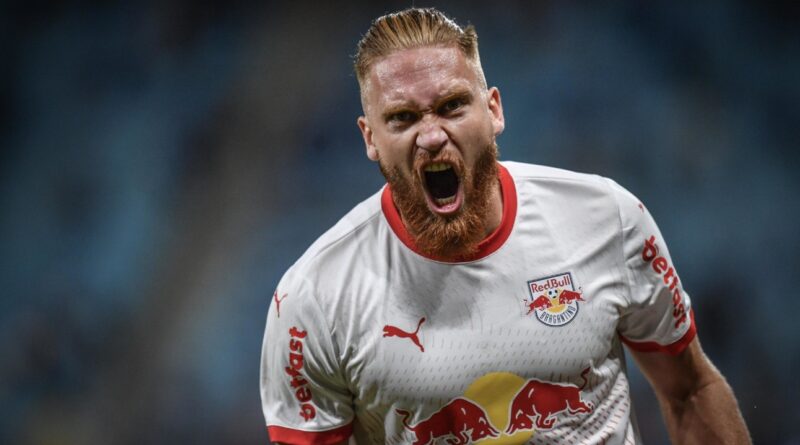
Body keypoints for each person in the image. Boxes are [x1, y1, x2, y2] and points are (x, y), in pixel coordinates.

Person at [260, 7, 750, 445]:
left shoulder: (606, 219)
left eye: (452, 106)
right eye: (403, 118)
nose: (431, 136)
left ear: (494, 109)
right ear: (370, 138)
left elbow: (691, 391)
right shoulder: (314, 297)